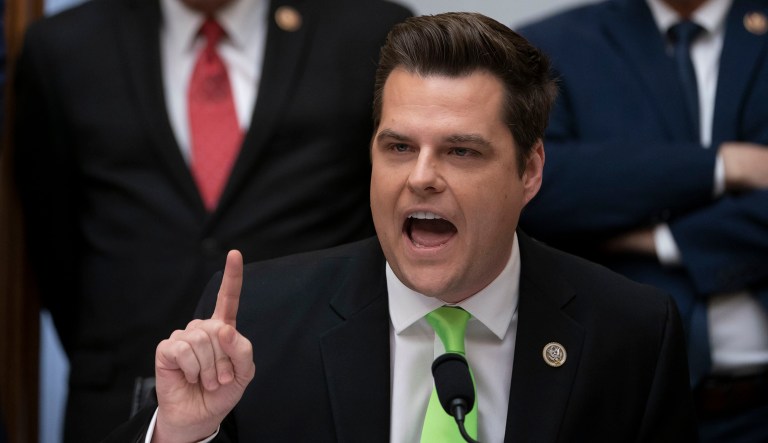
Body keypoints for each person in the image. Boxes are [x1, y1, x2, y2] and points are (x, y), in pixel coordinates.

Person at [103, 12, 697, 442]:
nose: (421, 177)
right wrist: (181, 433)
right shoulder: (258, 322)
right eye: (398, 147)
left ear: (530, 170)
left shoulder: (632, 334)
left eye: (461, 151)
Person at [11, 0, 411, 441]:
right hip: (124, 396)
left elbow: (381, 222)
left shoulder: (367, 33)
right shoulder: (66, 46)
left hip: (311, 392)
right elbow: (53, 245)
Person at [516, 0, 768, 441]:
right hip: (614, 404)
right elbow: (539, 185)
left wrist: (659, 238)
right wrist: (725, 165)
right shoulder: (550, 45)